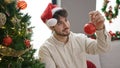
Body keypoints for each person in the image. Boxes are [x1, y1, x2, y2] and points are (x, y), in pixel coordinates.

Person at [39, 3, 111, 68]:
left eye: (66, 20)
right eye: (60, 23)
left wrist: (100, 28)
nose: (66, 25)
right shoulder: (45, 49)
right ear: (51, 27)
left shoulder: (80, 39)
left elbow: (103, 49)